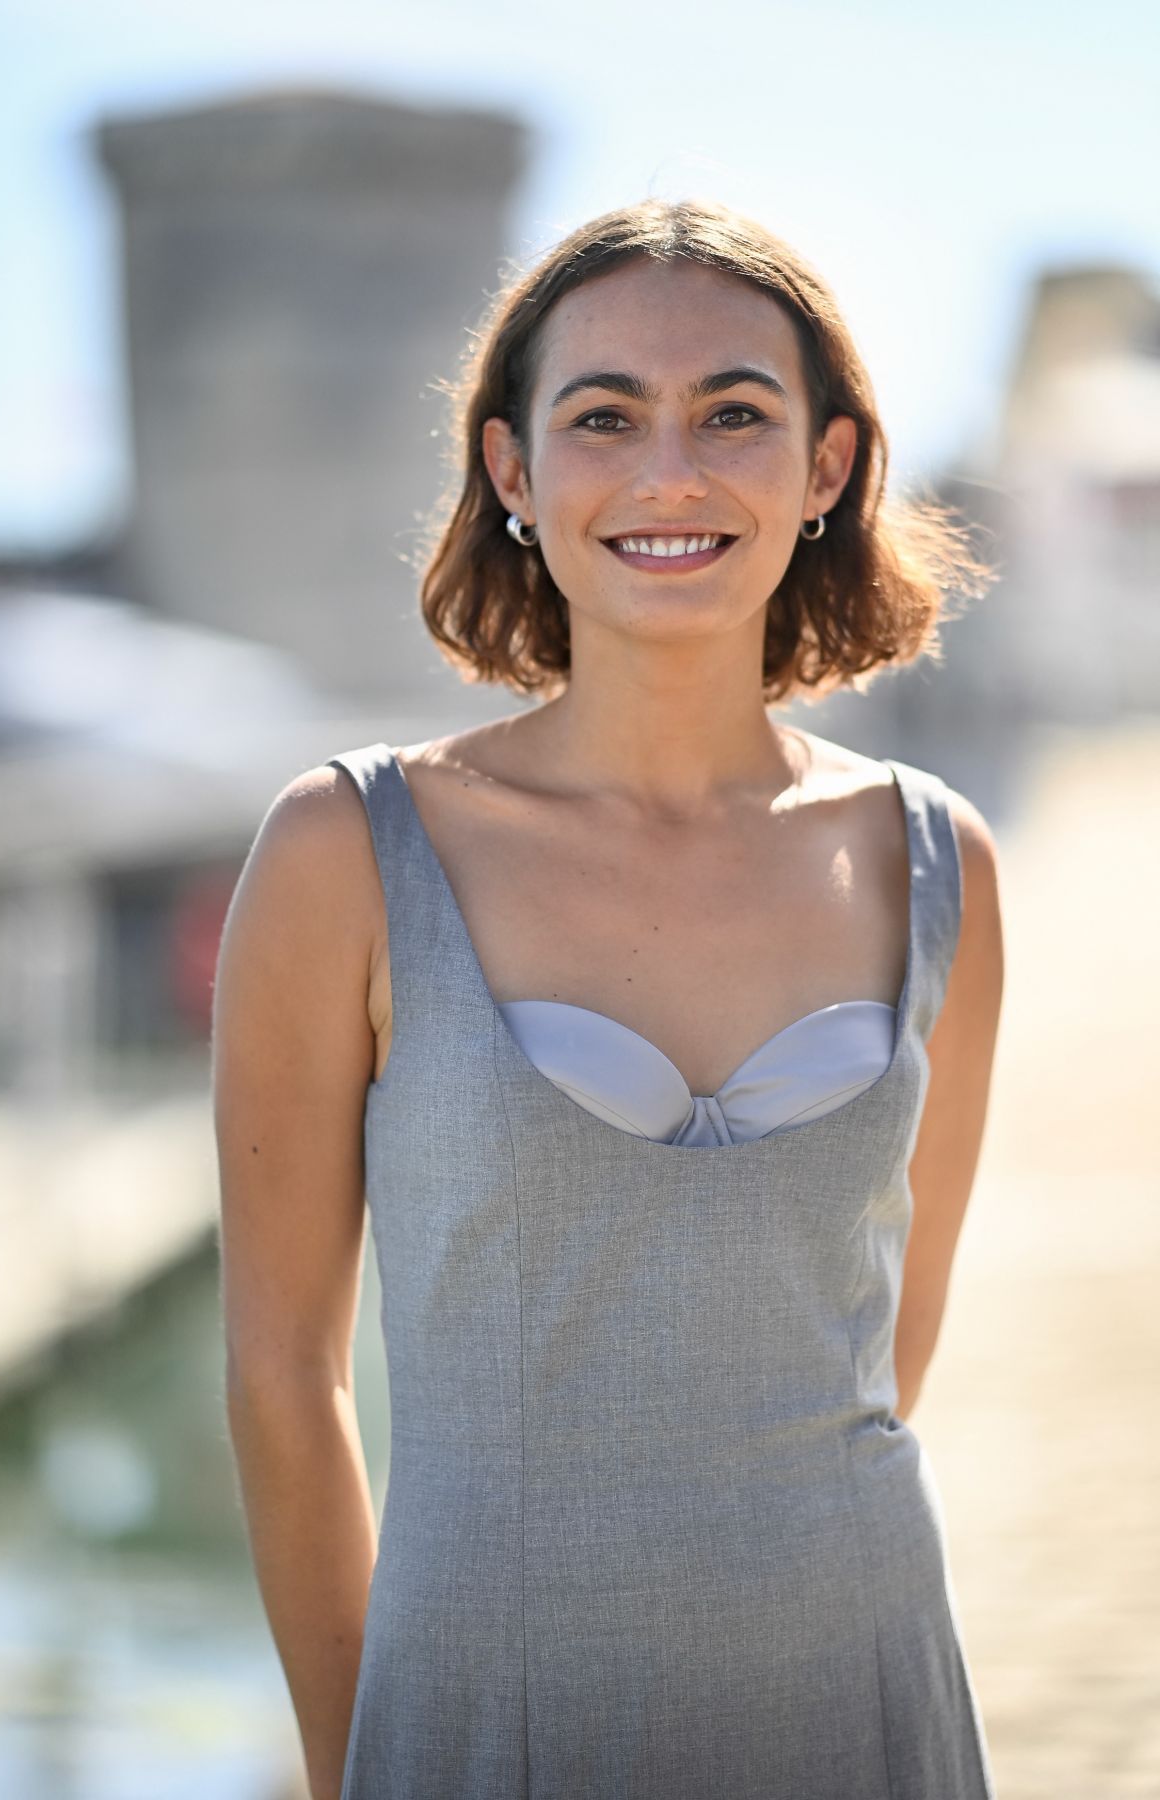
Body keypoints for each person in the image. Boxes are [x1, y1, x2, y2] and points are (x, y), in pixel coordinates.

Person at [213, 197, 1005, 1800]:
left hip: (864, 1703)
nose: (670, 475)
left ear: (829, 467)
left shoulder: (937, 862)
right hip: (485, 1724)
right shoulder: (348, 851)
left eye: (734, 414)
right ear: (512, 470)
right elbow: (283, 1380)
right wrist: (355, 1762)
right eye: (603, 418)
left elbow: (879, 1361)